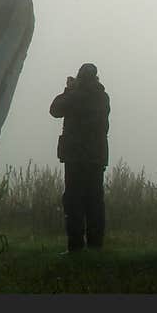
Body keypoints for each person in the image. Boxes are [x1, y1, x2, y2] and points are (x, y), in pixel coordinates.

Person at [49, 63, 111, 253]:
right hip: (96, 157)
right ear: (96, 77)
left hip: (75, 157)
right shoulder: (103, 96)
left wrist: (68, 89)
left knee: (74, 201)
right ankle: (95, 246)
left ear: (80, 77)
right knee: (95, 202)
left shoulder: (75, 96)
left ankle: (75, 247)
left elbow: (55, 110)